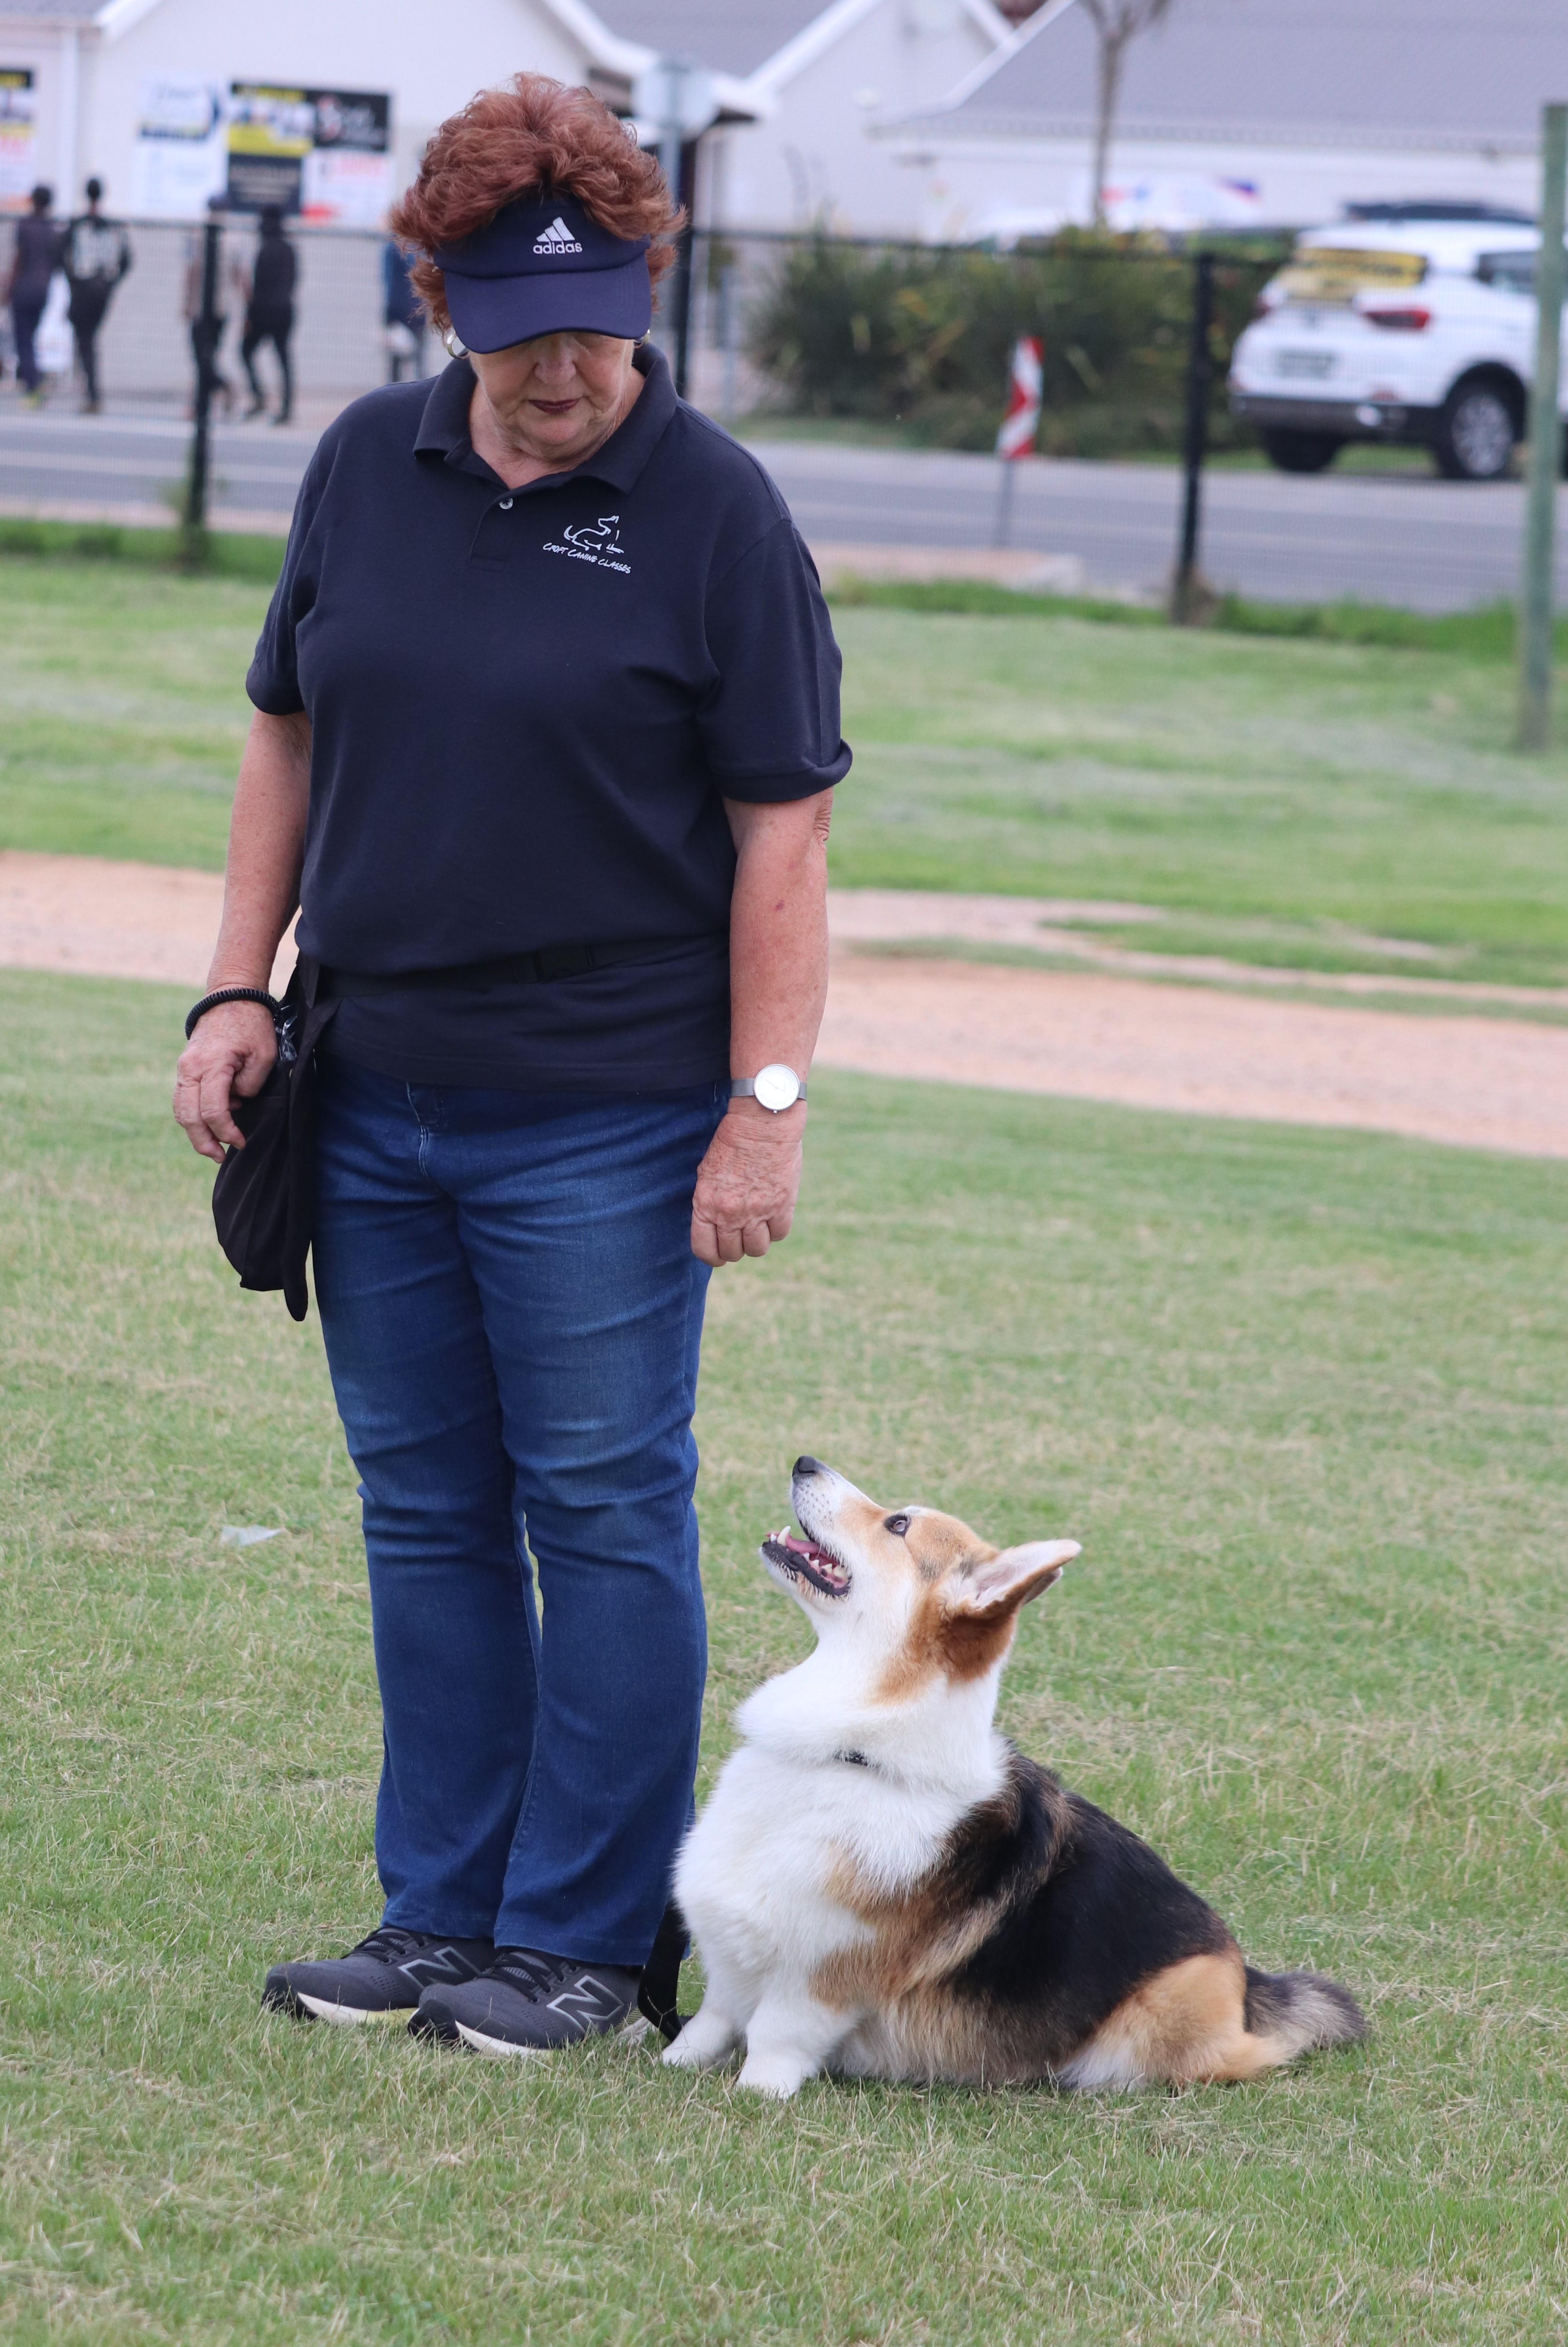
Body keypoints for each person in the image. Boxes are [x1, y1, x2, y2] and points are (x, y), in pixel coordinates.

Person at [173, 73, 848, 2058]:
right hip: (371, 1084)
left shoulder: (714, 510)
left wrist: (764, 1105)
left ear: (645, 295)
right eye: (514, 330)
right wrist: (233, 991)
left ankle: (578, 1945)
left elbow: (785, 832)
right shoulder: (362, 464)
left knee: (603, 1509)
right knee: (424, 1510)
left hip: (607, 1111)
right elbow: (288, 728)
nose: (561, 370)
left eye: (595, 326)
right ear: (438, 304)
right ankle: (438, 1912)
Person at [61, 176, 132, 414]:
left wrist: (74, 282)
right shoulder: (113, 227)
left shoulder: (78, 225)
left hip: (84, 289)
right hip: (102, 290)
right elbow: (126, 260)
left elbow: (61, 255)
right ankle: (91, 392)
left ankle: (92, 394)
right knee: (89, 339)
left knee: (86, 340)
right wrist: (111, 283)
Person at [182, 195, 245, 418]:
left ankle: (217, 392)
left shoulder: (197, 236)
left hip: (202, 308)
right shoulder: (233, 239)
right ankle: (207, 401)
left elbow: (191, 272)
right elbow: (240, 277)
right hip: (222, 308)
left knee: (201, 359)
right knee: (209, 357)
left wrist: (187, 302)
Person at [240, 208, 297, 424]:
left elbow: (259, 287)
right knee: (283, 359)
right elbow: (293, 281)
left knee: (246, 351)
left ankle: (260, 397)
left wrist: (250, 316)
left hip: (264, 312)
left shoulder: (265, 250)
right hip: (284, 310)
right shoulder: (288, 249)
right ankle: (285, 407)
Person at [4, 184, 58, 404]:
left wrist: (8, 287)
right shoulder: (53, 230)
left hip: (24, 289)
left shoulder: (25, 226)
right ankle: (33, 379)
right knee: (30, 340)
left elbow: (19, 259)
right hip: (42, 291)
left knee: (23, 341)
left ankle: (33, 388)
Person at [382, 234, 428, 382]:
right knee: (402, 356)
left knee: (412, 356)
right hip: (410, 309)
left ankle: (404, 387)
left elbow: (387, 281)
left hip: (411, 309)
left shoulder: (394, 250)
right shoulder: (399, 251)